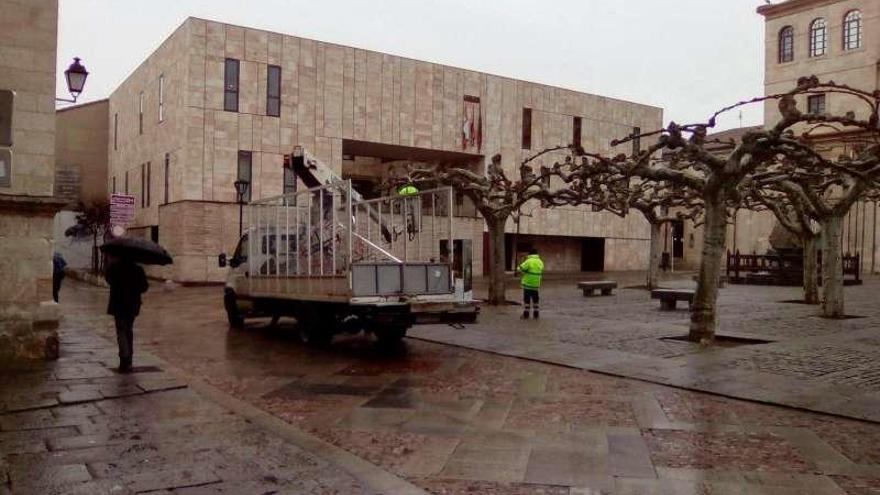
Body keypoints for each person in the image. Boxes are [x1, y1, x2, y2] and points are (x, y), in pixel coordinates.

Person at [104, 255, 149, 372]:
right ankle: (129, 357)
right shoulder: (138, 269)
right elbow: (144, 287)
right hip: (132, 305)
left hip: (118, 304)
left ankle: (124, 356)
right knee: (128, 330)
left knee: (121, 330)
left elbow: (108, 279)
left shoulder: (114, 267)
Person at [517, 248, 544, 319]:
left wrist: (520, 267)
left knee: (527, 299)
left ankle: (526, 314)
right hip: (536, 284)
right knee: (535, 299)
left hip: (528, 283)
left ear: (530, 254)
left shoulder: (528, 261)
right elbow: (541, 270)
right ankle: (536, 313)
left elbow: (520, 269)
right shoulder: (540, 262)